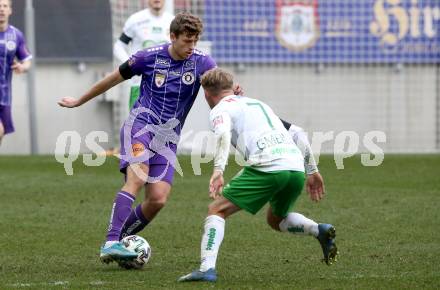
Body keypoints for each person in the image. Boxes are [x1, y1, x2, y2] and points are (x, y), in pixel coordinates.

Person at [58, 12, 243, 266]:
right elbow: (113, 78)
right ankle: (111, 241)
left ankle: (120, 240)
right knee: (138, 176)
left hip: (168, 139)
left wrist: (233, 91)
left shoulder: (202, 61)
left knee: (157, 199)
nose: (191, 47)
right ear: (172, 36)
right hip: (140, 127)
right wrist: (79, 100)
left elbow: (220, 87)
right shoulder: (148, 57)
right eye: (186, 42)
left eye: (195, 41)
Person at [178, 68, 338, 282]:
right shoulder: (258, 104)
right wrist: (313, 171)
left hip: (268, 165)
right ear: (231, 87)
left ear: (207, 94)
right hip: (295, 166)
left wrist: (218, 170)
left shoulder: (219, 110)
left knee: (216, 209)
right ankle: (318, 230)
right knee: (276, 219)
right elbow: (298, 132)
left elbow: (223, 135)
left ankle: (207, 269)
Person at [114, 0, 174, 110]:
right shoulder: (135, 20)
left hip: (166, 86)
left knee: (165, 126)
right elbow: (118, 46)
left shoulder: (173, 21)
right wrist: (132, 64)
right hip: (139, 85)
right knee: (137, 125)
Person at [0, 0, 32, 146]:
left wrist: (22, 67)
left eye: (5, 6)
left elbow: (27, 60)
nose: (1, 9)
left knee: (1, 132)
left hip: (5, 96)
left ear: (10, 10)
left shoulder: (16, 35)